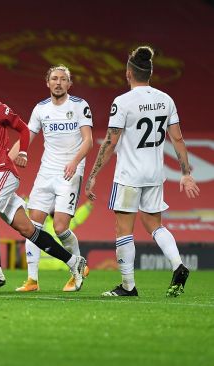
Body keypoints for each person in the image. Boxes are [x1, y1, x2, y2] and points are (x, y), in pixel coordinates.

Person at [0, 69, 87, 290]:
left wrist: (23, 152)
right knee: (29, 230)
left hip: (3, 171)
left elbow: (22, 129)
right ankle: (74, 262)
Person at [84, 46, 200, 297]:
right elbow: (177, 139)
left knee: (123, 230)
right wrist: (186, 172)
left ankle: (128, 286)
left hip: (129, 176)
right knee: (154, 224)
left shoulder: (122, 102)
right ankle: (178, 264)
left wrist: (93, 175)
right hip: (155, 174)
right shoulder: (165, 99)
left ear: (128, 73)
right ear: (150, 72)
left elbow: (110, 142)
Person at [8, 65, 93, 292]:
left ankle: (77, 266)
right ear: (47, 82)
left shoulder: (79, 105)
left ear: (69, 83)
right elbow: (27, 137)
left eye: (63, 79)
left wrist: (75, 162)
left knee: (60, 227)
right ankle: (32, 280)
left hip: (70, 171)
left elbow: (88, 140)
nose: (58, 82)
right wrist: (7, 161)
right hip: (46, 172)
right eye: (54, 79)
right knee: (31, 224)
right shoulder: (41, 109)